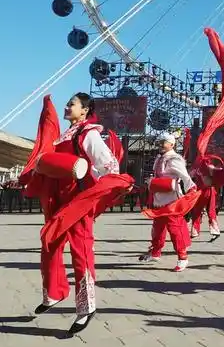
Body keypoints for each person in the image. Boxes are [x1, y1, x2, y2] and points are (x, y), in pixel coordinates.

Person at [33, 93, 120, 334]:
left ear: (84, 110)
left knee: (80, 250)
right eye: (67, 102)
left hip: (76, 199)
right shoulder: (64, 135)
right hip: (57, 197)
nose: (67, 106)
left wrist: (94, 188)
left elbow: (110, 164)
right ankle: (54, 292)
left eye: (71, 104)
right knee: (49, 242)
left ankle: (86, 307)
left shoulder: (87, 133)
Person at [141, 132, 196, 271]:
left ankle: (183, 257)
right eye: (160, 142)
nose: (161, 144)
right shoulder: (160, 158)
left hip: (172, 200)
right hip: (159, 197)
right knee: (157, 228)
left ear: (172, 144)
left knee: (175, 229)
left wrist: (191, 188)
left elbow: (184, 175)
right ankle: (155, 252)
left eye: (164, 142)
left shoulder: (174, 159)